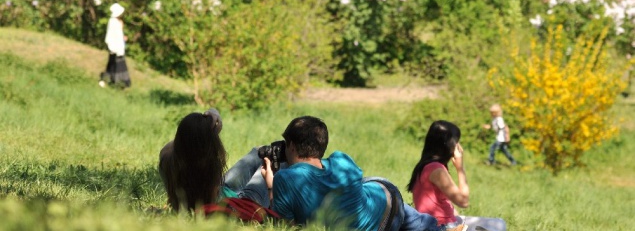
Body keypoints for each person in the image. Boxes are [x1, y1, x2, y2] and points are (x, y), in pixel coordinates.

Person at [260, 115, 441, 231]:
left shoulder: (285, 178)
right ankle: (435, 227)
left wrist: (271, 186)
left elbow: (283, 226)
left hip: (383, 214)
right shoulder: (342, 161)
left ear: (291, 146)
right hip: (387, 209)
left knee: (367, 186)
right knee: (365, 187)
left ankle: (433, 226)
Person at [158, 109, 273, 212]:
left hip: (224, 192)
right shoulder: (208, 171)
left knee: (259, 151)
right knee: (271, 158)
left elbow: (178, 145)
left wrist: (199, 134)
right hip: (238, 205)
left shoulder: (168, 163)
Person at [407, 120, 507, 231]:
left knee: (499, 223)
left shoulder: (425, 165)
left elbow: (445, 202)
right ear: (448, 145)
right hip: (441, 226)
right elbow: (463, 201)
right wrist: (460, 168)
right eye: (456, 142)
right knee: (499, 226)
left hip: (438, 223)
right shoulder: (437, 170)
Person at [99, 2, 131, 88]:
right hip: (114, 47)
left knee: (116, 64)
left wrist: (123, 38)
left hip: (118, 46)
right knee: (114, 64)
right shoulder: (113, 21)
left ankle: (116, 81)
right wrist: (112, 46)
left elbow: (118, 34)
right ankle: (114, 81)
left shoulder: (117, 21)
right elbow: (112, 35)